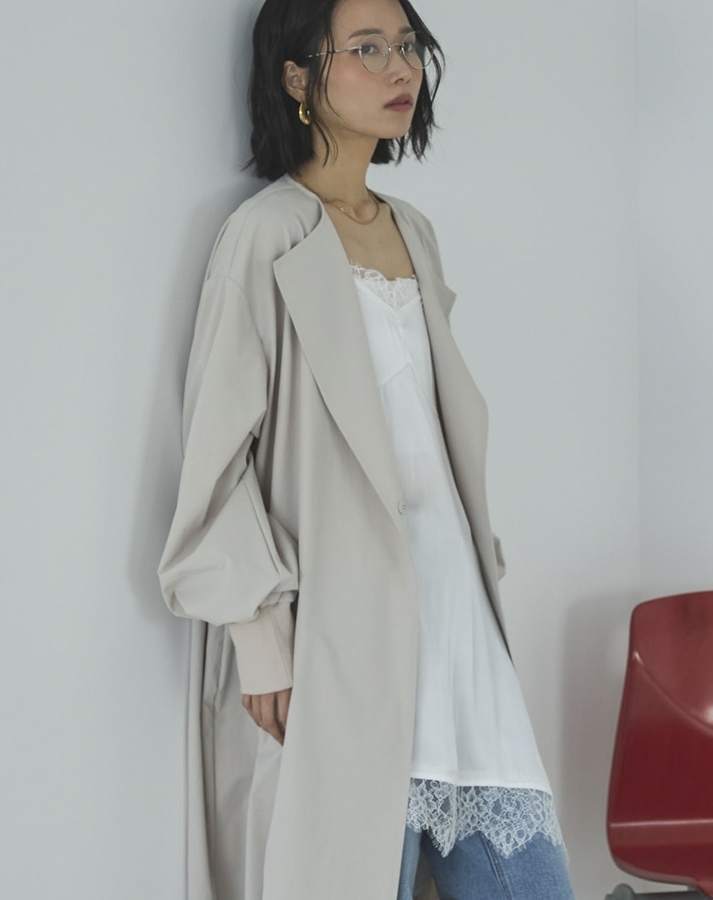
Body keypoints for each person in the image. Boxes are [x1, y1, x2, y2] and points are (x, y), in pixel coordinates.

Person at [159, 0, 576, 898]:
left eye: (408, 46)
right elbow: (216, 462)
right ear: (298, 77)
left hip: (457, 627)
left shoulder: (413, 230)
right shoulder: (267, 234)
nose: (400, 68)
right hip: (341, 642)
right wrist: (262, 643)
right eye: (368, 48)